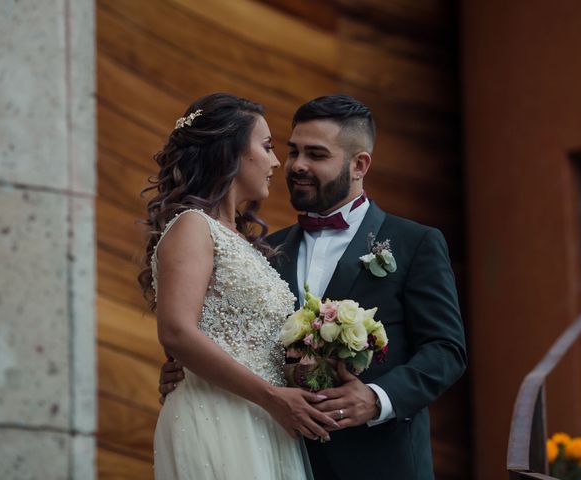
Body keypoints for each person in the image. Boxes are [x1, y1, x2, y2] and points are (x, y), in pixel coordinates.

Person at [159, 94, 468, 479]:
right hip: (275, 450)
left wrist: (377, 398)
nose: (296, 166)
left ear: (359, 165)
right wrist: (188, 372)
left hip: (380, 462)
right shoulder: (264, 253)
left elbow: (446, 350)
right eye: (292, 151)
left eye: (317, 155)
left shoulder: (414, 243)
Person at [140, 93, 338, 480]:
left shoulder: (246, 244)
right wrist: (273, 398)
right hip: (219, 417)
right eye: (267, 147)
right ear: (231, 152)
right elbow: (177, 331)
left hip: (262, 418)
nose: (276, 162)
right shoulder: (192, 226)